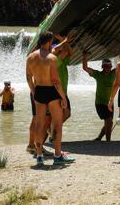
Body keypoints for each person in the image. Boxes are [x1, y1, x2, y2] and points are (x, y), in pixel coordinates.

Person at [26, 31, 75, 165]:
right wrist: (63, 97)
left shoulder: (30, 57)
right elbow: (56, 81)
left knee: (40, 124)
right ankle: (58, 155)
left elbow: (28, 77)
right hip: (52, 92)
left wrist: (34, 91)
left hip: (39, 91)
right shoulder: (52, 58)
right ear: (48, 42)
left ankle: (40, 155)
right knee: (57, 124)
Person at [82, 54, 116, 141]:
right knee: (109, 121)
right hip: (100, 103)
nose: (107, 68)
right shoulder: (98, 74)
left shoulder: (114, 73)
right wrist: (84, 55)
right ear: (102, 67)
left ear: (111, 67)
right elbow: (85, 68)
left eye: (109, 67)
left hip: (110, 103)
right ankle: (108, 141)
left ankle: (99, 138)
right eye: (106, 66)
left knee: (108, 123)